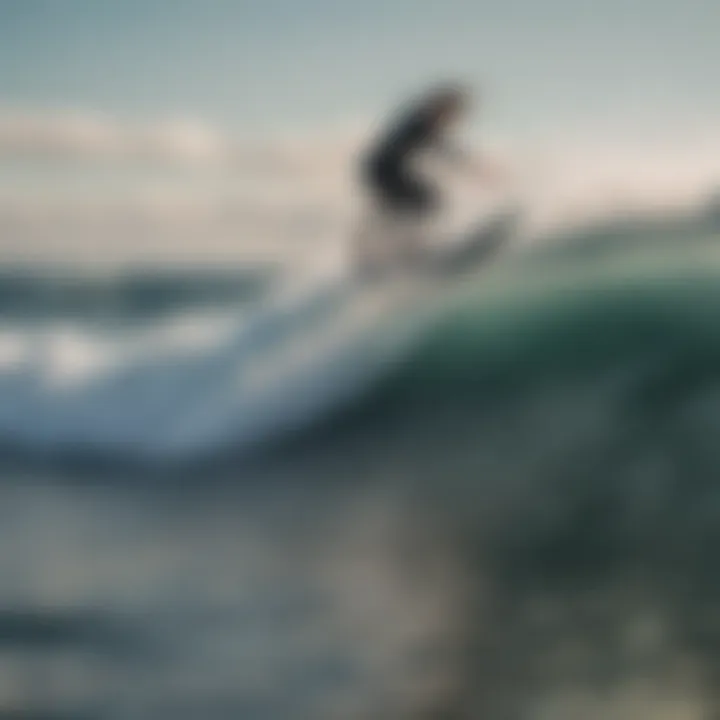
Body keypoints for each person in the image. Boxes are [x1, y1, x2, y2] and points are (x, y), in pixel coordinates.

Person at [355, 83, 498, 272]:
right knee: (426, 202)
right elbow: (444, 149)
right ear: (443, 106)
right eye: (454, 111)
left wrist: (474, 169)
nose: (455, 118)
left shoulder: (421, 119)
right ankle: (404, 251)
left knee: (405, 207)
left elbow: (439, 148)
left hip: (381, 168)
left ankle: (376, 249)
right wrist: (477, 169)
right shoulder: (423, 120)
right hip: (384, 169)